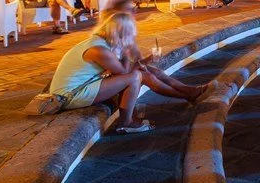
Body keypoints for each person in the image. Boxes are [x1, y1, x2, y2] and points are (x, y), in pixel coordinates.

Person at [49, 12, 210, 133]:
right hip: (70, 95)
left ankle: (189, 92)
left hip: (86, 84)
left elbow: (124, 68)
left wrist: (148, 60)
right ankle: (126, 122)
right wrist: (127, 51)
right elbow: (125, 72)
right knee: (135, 77)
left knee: (148, 71)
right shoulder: (98, 49)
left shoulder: (102, 42)